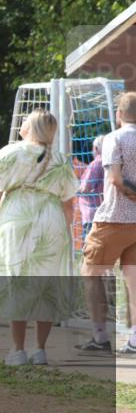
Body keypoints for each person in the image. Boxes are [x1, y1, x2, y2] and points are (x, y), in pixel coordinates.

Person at [0, 109, 78, 366]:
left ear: (30, 127)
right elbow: (68, 203)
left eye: (25, 121)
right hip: (51, 220)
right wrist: (63, 231)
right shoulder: (61, 159)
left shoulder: (8, 153)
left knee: (17, 280)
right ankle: (40, 349)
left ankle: (17, 350)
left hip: (17, 219)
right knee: (46, 285)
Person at [77, 92, 136, 357]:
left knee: (91, 273)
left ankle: (100, 335)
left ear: (119, 114)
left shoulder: (115, 138)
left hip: (114, 217)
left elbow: (115, 179)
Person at [78, 135, 105, 243]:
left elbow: (86, 188)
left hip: (92, 213)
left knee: (90, 248)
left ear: (96, 148)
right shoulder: (112, 163)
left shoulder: (96, 164)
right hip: (104, 211)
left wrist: (73, 187)